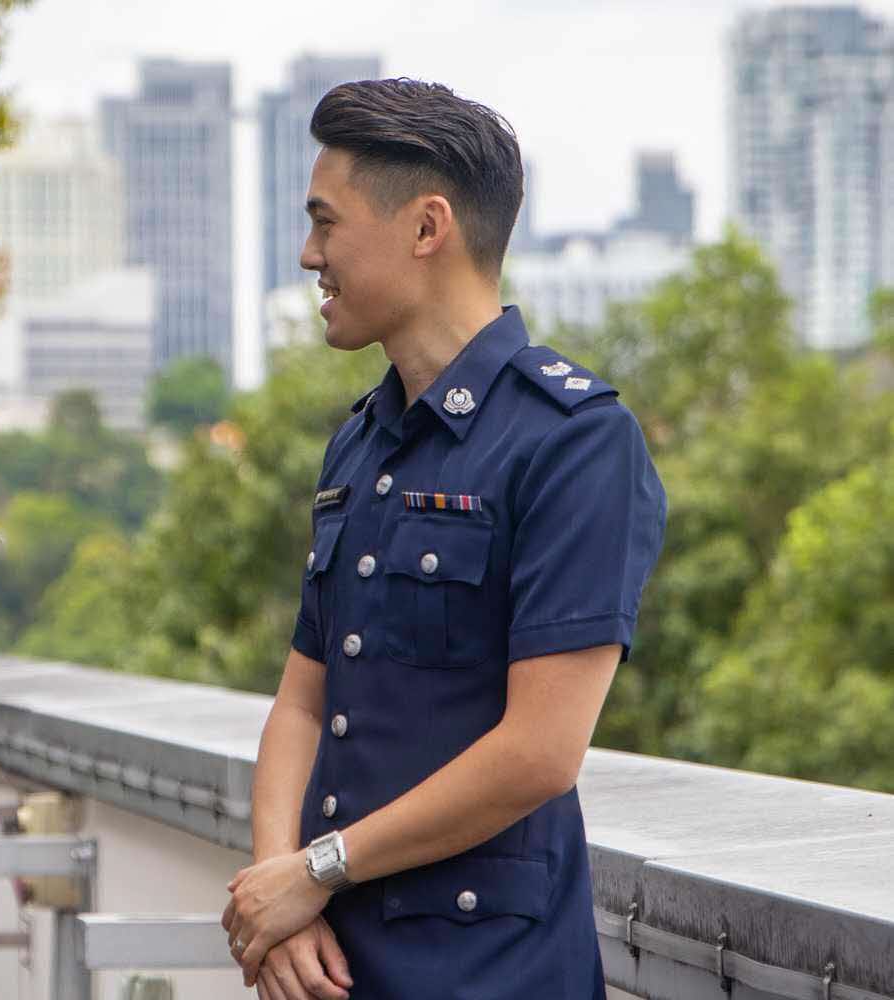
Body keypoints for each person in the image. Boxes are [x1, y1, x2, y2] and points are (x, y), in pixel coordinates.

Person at [220, 79, 667, 1000]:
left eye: (326, 223)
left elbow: (540, 752)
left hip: (485, 975)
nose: (309, 256)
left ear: (427, 228)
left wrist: (315, 870)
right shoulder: (362, 439)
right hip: (336, 967)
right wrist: (278, 893)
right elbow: (303, 705)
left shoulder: (574, 439)